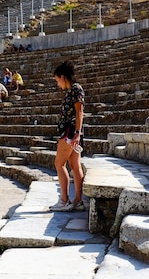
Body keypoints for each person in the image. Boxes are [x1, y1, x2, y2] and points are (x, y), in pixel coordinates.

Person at [49, 61, 85, 212]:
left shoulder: (75, 89)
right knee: (75, 166)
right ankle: (78, 201)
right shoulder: (72, 90)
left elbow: (79, 112)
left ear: (63, 77)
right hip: (73, 131)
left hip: (70, 132)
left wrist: (76, 133)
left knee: (59, 164)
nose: (58, 84)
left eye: (57, 80)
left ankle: (64, 200)